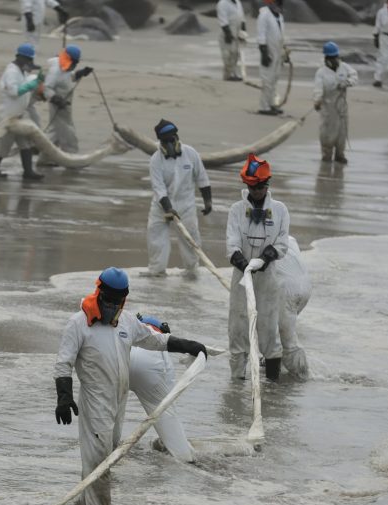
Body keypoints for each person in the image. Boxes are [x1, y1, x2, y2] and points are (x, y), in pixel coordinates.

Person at [54, 267, 207, 505]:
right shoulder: (78, 324)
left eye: (117, 302)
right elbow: (63, 363)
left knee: (108, 453)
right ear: (98, 293)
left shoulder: (125, 322)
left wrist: (187, 344)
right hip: (95, 402)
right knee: (101, 460)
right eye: (107, 300)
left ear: (123, 300)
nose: (112, 306)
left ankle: (82, 502)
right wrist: (64, 397)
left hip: (118, 401)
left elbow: (154, 340)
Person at [226, 153, 289, 381]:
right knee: (238, 329)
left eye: (260, 187)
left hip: (268, 279)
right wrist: (243, 263)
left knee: (268, 330)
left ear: (267, 185)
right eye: (252, 188)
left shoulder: (280, 210)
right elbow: (232, 244)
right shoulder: (236, 210)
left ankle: (272, 387)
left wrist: (264, 259)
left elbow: (282, 243)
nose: (256, 192)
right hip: (241, 279)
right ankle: (236, 383)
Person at [146, 119, 213, 278]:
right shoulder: (155, 160)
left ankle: (191, 270)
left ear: (176, 137)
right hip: (161, 206)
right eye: (165, 141)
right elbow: (159, 188)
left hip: (186, 206)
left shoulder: (191, 154)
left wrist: (208, 201)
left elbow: (202, 178)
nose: (169, 144)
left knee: (190, 239)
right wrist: (168, 208)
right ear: (160, 141)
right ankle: (157, 271)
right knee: (156, 238)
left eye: (171, 140)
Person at [130, 314, 197, 463]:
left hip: (123, 356)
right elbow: (170, 398)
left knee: (108, 429)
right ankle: (185, 459)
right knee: (166, 415)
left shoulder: (128, 327)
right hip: (151, 365)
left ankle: (108, 451)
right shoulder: (162, 348)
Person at [0, 44, 45, 181]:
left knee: (24, 144)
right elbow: (14, 92)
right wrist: (32, 85)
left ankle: (28, 172)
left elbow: (26, 78)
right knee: (4, 148)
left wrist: (35, 74)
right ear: (20, 58)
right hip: (7, 117)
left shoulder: (22, 71)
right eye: (28, 60)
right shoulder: (11, 72)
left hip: (18, 116)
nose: (29, 63)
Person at [37, 45, 93, 164]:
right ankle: (71, 155)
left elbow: (69, 78)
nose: (75, 65)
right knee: (67, 129)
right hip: (58, 103)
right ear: (70, 59)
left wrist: (81, 73)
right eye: (75, 62)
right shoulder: (55, 71)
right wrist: (57, 100)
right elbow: (47, 88)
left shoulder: (65, 64)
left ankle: (44, 158)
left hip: (64, 100)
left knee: (55, 131)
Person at [313, 41, 357, 165]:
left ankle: (340, 155)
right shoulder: (321, 73)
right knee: (327, 133)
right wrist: (317, 100)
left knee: (342, 131)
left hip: (341, 106)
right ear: (327, 58)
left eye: (336, 57)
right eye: (332, 57)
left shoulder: (345, 67)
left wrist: (346, 83)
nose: (335, 60)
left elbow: (354, 77)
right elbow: (318, 88)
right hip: (328, 108)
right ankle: (326, 155)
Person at [276, 236, 311, 381]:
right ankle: (275, 361)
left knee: (288, 341)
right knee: (277, 329)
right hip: (305, 287)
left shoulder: (260, 239)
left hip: (286, 290)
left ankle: (302, 376)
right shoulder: (289, 238)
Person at [256, 0, 286, 115]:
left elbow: (281, 36)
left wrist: (284, 53)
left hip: (278, 52)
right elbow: (261, 35)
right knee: (267, 80)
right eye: (278, 3)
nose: (280, 5)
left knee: (275, 79)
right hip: (268, 52)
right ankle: (263, 107)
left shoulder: (279, 17)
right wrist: (264, 53)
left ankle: (272, 103)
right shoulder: (264, 15)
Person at [216, 0, 246, 81]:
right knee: (227, 55)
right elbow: (223, 20)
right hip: (227, 34)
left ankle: (233, 73)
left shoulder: (238, 2)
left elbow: (242, 19)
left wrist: (243, 32)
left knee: (235, 55)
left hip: (237, 34)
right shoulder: (223, 3)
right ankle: (228, 76)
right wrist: (228, 34)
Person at [373, 1, 388, 89]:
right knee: (383, 58)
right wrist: (376, 36)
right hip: (384, 36)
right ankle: (378, 79)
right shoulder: (381, 12)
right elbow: (377, 25)